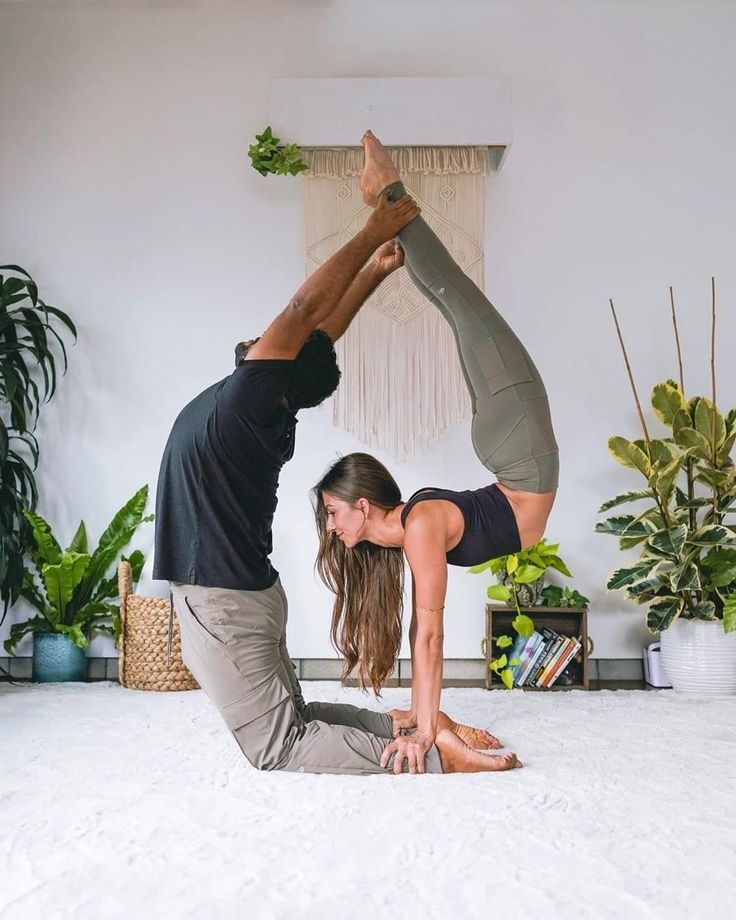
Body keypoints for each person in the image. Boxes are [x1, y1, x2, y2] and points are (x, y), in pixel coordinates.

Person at [154, 189, 518, 776]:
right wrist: (372, 276)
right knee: (292, 715)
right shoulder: (269, 409)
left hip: (220, 598)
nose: (270, 333)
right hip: (251, 593)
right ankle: (406, 724)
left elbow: (304, 312)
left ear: (281, 370)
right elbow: (319, 333)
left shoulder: (250, 402)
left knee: (276, 746)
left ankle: (422, 753)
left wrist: (375, 232)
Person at [313, 131, 559, 774]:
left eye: (333, 514)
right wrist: (426, 721)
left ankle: (389, 191)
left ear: (362, 506)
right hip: (515, 449)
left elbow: (430, 635)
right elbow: (425, 637)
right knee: (454, 301)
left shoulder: (420, 525)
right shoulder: (414, 526)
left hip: (520, 450)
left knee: (454, 297)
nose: (332, 527)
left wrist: (423, 732)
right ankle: (387, 192)